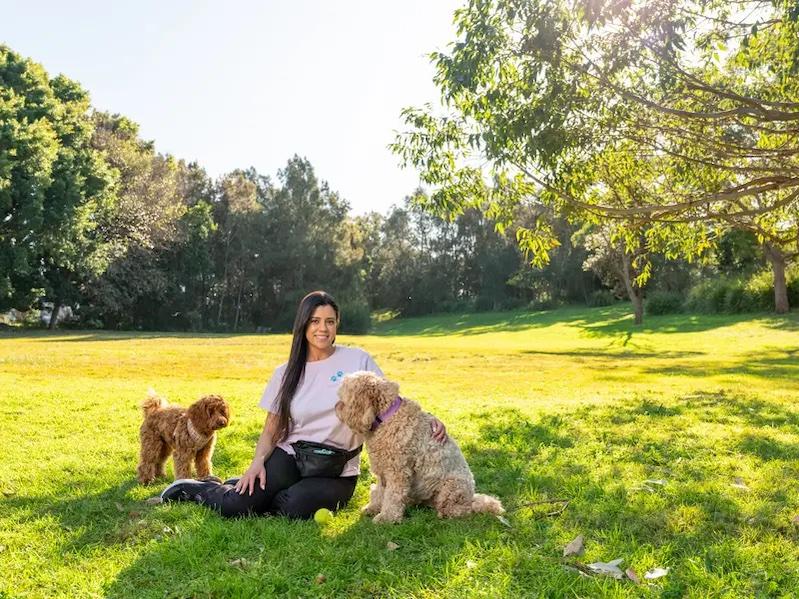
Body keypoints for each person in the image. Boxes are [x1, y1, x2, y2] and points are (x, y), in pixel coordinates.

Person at [160, 290, 447, 519]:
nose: (323, 328)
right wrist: (258, 462)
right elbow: (272, 428)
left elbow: (389, 400)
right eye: (315, 321)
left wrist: (428, 418)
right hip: (291, 455)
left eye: (330, 321)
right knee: (236, 507)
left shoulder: (358, 360)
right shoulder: (284, 372)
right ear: (303, 324)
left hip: (337, 467)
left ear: (336, 325)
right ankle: (201, 489)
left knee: (293, 508)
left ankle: (256, 490)